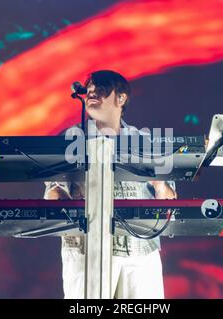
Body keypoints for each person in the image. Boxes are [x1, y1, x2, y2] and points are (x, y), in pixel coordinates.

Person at [44, 70, 176, 299]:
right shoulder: (72, 138)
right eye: (89, 90)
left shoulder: (144, 140)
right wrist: (68, 201)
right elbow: (53, 192)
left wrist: (158, 181)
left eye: (101, 89)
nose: (92, 93)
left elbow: (170, 203)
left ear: (121, 98)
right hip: (88, 250)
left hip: (141, 251)